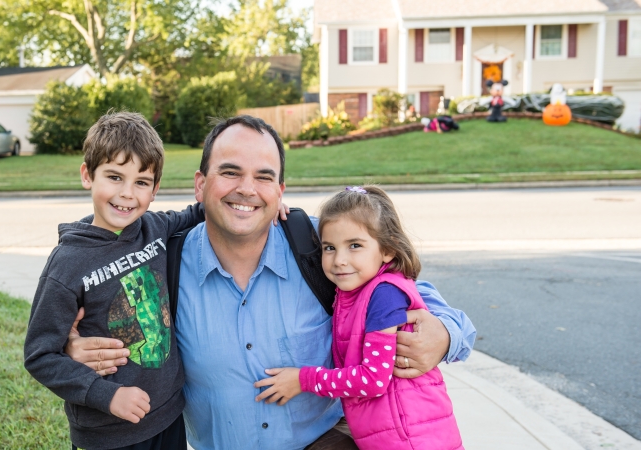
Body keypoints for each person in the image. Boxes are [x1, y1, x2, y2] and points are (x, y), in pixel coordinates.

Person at [65, 115, 476, 449]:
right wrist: (80, 348)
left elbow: (425, 303)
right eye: (230, 172)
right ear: (200, 184)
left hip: (327, 442)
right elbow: (103, 302)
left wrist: (442, 335)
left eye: (263, 177)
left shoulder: (323, 249)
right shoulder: (160, 263)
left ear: (280, 191)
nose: (247, 189)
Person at [24, 112, 206, 450]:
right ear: (86, 175)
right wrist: (107, 395)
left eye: (141, 182)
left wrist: (261, 204)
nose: (126, 194)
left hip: (167, 416)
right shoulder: (67, 265)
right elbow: (40, 355)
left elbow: (198, 212)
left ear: (154, 190)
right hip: (109, 432)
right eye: (114, 176)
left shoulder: (154, 228)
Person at [254, 185, 462, 449]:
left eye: (355, 245)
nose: (339, 260)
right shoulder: (354, 290)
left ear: (387, 250)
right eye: (329, 247)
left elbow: (373, 379)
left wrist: (302, 379)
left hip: (409, 440)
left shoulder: (384, 295)